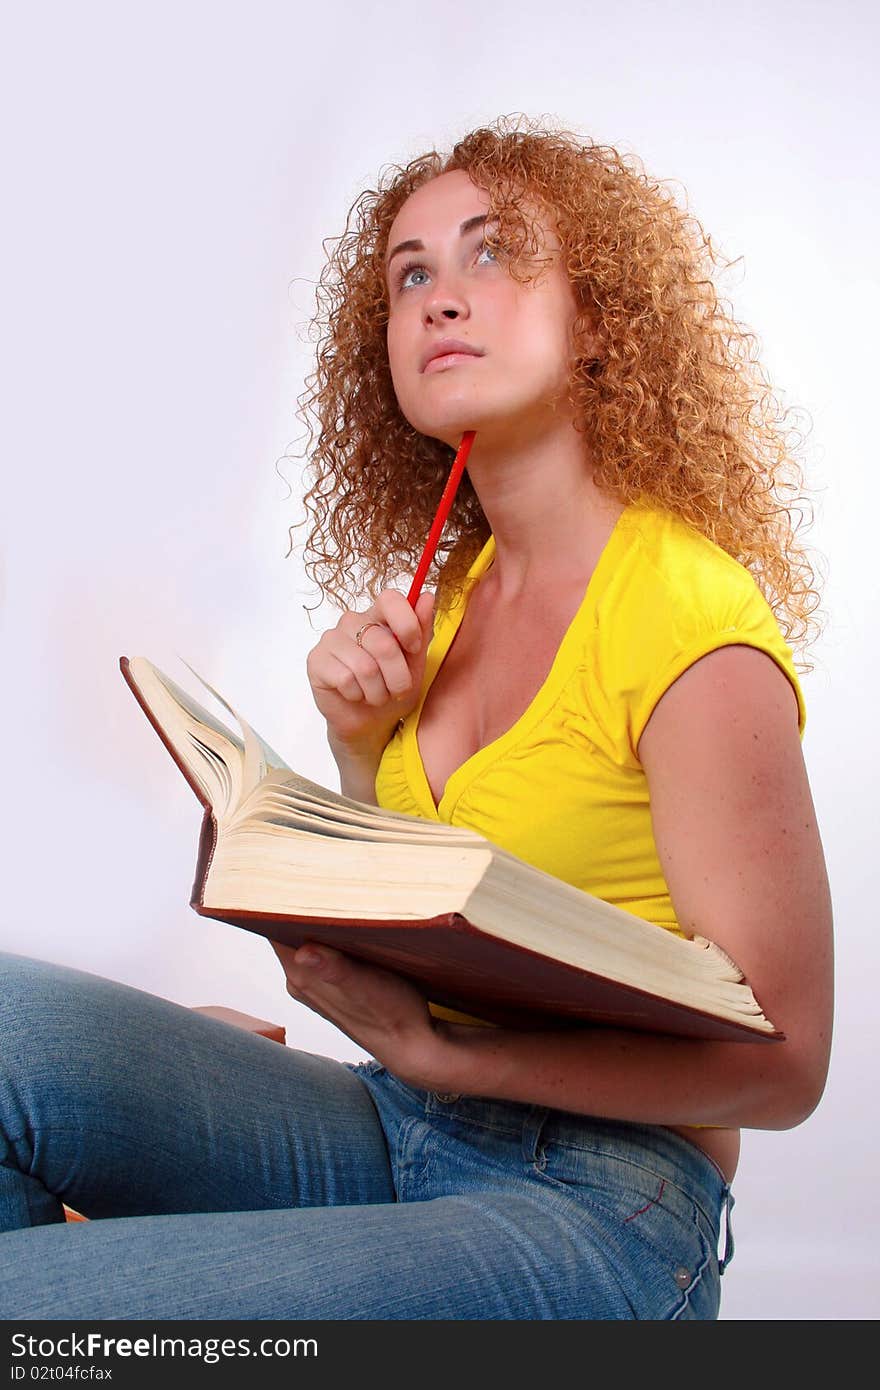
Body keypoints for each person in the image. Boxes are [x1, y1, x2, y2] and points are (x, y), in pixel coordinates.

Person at [0, 117, 833, 1320]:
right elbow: (436, 922)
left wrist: (446, 1054)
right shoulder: (439, 608)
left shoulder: (687, 619)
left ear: (597, 314)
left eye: (494, 254)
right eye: (411, 273)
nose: (443, 296)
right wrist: (353, 748)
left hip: (606, 1202)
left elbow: (787, 1063)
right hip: (397, 1121)